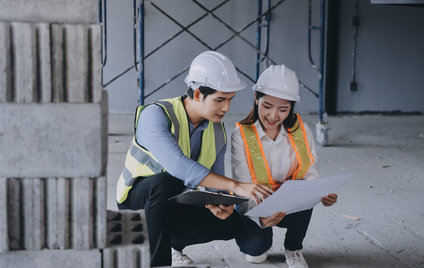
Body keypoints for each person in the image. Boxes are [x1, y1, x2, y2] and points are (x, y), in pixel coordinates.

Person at [115, 51, 272, 267]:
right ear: (198, 94)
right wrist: (236, 186)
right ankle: (156, 263)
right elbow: (178, 166)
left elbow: (215, 186)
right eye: (220, 100)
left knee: (232, 223)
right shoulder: (155, 114)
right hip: (137, 205)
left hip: (176, 203)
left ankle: (171, 243)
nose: (226, 108)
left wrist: (220, 204)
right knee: (166, 181)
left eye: (230, 100)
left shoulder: (217, 131)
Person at [231, 64, 338, 268]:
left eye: (283, 109)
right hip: (256, 203)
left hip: (290, 203)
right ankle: (260, 240)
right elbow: (244, 185)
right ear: (256, 99)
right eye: (267, 106)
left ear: (291, 108)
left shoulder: (300, 130)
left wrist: (322, 192)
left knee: (305, 190)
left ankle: (294, 249)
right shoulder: (242, 136)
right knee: (255, 250)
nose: (273, 116)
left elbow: (309, 171)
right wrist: (262, 219)